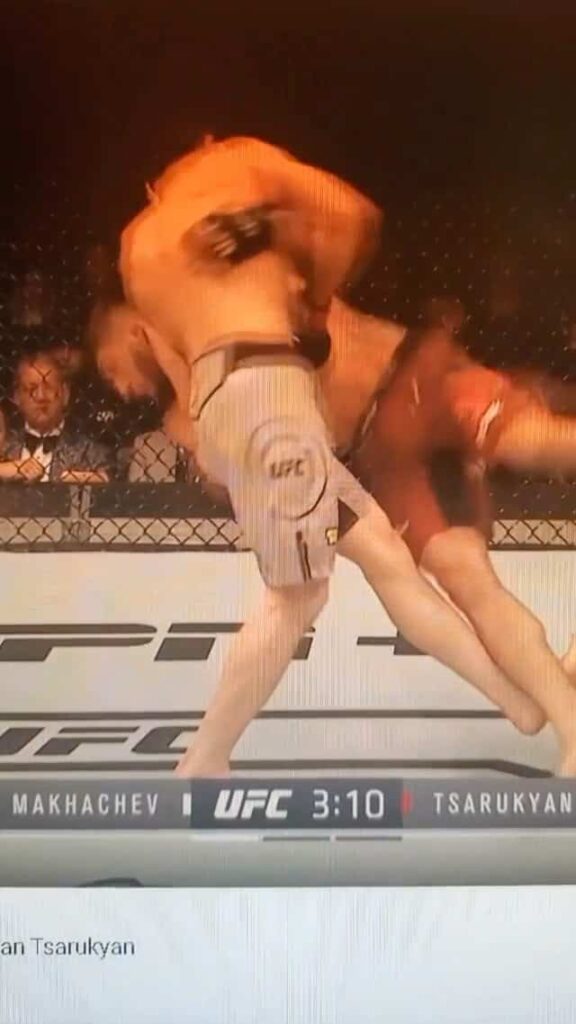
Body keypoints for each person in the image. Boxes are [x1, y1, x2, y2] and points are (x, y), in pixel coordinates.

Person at [94, 133, 552, 776]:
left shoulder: (139, 248)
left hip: (237, 404)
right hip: (267, 396)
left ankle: (517, 703)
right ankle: (205, 757)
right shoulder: (236, 171)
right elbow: (353, 213)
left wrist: (220, 437)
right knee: (297, 598)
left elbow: (180, 368)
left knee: (387, 557)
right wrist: (306, 292)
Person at [333, 311, 576, 773]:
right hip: (379, 441)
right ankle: (568, 720)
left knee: (542, 442)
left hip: (418, 376)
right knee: (464, 573)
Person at [3, 353, 112, 484]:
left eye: (49, 388)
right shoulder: (3, 448)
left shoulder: (91, 453)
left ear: (65, 394)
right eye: (32, 389)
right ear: (16, 397)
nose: (41, 397)